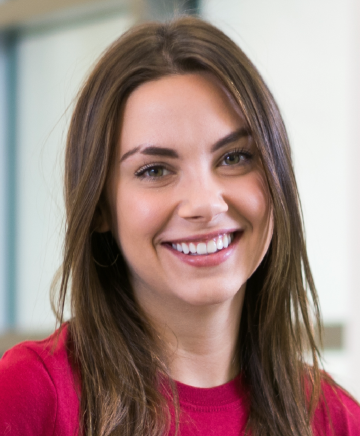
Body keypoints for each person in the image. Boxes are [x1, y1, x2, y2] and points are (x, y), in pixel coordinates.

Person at [0, 15, 359, 436]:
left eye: (234, 157)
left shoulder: (334, 419)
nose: (205, 204)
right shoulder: (30, 394)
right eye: (154, 170)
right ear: (99, 206)